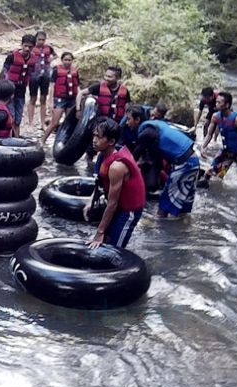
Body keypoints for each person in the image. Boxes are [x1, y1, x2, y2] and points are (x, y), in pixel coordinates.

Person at [84, 118, 145, 249]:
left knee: (114, 249)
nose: (94, 140)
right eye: (94, 135)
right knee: (105, 240)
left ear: (111, 141)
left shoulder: (117, 166)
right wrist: (90, 201)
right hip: (118, 207)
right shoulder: (102, 155)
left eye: (99, 137)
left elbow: (112, 203)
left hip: (129, 211)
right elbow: (98, 182)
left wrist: (99, 232)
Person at [136, 117, 199, 218]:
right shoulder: (160, 126)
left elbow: (138, 151)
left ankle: (158, 225)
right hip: (194, 160)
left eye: (129, 119)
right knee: (183, 206)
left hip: (184, 163)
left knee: (165, 201)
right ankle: (181, 229)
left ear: (137, 120)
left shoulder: (147, 132)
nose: (127, 122)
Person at [198, 90, 237, 188]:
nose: (216, 104)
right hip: (226, 152)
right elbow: (209, 135)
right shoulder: (215, 117)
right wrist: (203, 147)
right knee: (211, 174)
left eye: (219, 102)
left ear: (227, 105)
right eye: (216, 101)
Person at [40, 51, 79, 144]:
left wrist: (78, 101)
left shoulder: (75, 71)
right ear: (62, 60)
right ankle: (42, 140)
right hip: (60, 99)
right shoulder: (56, 70)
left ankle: (64, 142)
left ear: (72, 61)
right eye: (65, 60)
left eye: (69, 60)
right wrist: (51, 102)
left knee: (69, 122)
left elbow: (78, 86)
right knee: (55, 122)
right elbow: (52, 87)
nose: (67, 62)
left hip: (71, 99)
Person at [1, 34, 36, 137]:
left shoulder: (33, 60)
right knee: (10, 115)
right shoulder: (11, 56)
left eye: (30, 47)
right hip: (10, 90)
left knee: (18, 117)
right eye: (25, 46)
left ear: (33, 47)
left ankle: (16, 138)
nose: (27, 49)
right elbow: (3, 72)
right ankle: (9, 137)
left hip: (21, 90)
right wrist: (5, 88)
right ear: (21, 45)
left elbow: (32, 74)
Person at [26, 31, 56, 131]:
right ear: (36, 39)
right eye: (39, 39)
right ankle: (30, 124)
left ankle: (42, 123)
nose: (41, 41)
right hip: (34, 75)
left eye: (43, 40)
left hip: (45, 75)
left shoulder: (48, 48)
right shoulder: (32, 48)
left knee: (43, 99)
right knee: (33, 98)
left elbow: (55, 55)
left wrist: (49, 60)